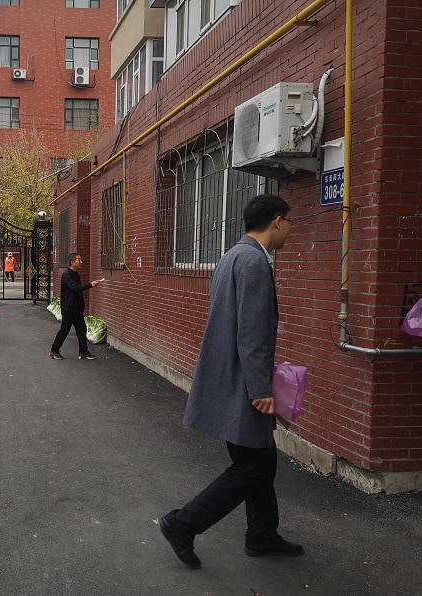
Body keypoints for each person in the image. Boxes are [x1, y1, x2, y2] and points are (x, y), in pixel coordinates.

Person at [158, 194, 301, 570]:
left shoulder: (232, 256)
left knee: (260, 460)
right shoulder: (254, 261)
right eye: (289, 222)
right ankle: (183, 524)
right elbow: (252, 333)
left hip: (230, 377)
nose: (289, 230)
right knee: (253, 467)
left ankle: (262, 535)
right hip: (243, 384)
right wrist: (261, 390)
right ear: (277, 221)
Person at [49, 253, 100, 360]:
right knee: (64, 330)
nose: (81, 262)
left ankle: (83, 352)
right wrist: (90, 285)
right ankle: (54, 350)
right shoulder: (67, 275)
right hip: (68, 307)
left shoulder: (75, 274)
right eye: (79, 260)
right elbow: (75, 288)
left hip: (77, 308)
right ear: (72, 262)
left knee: (81, 330)